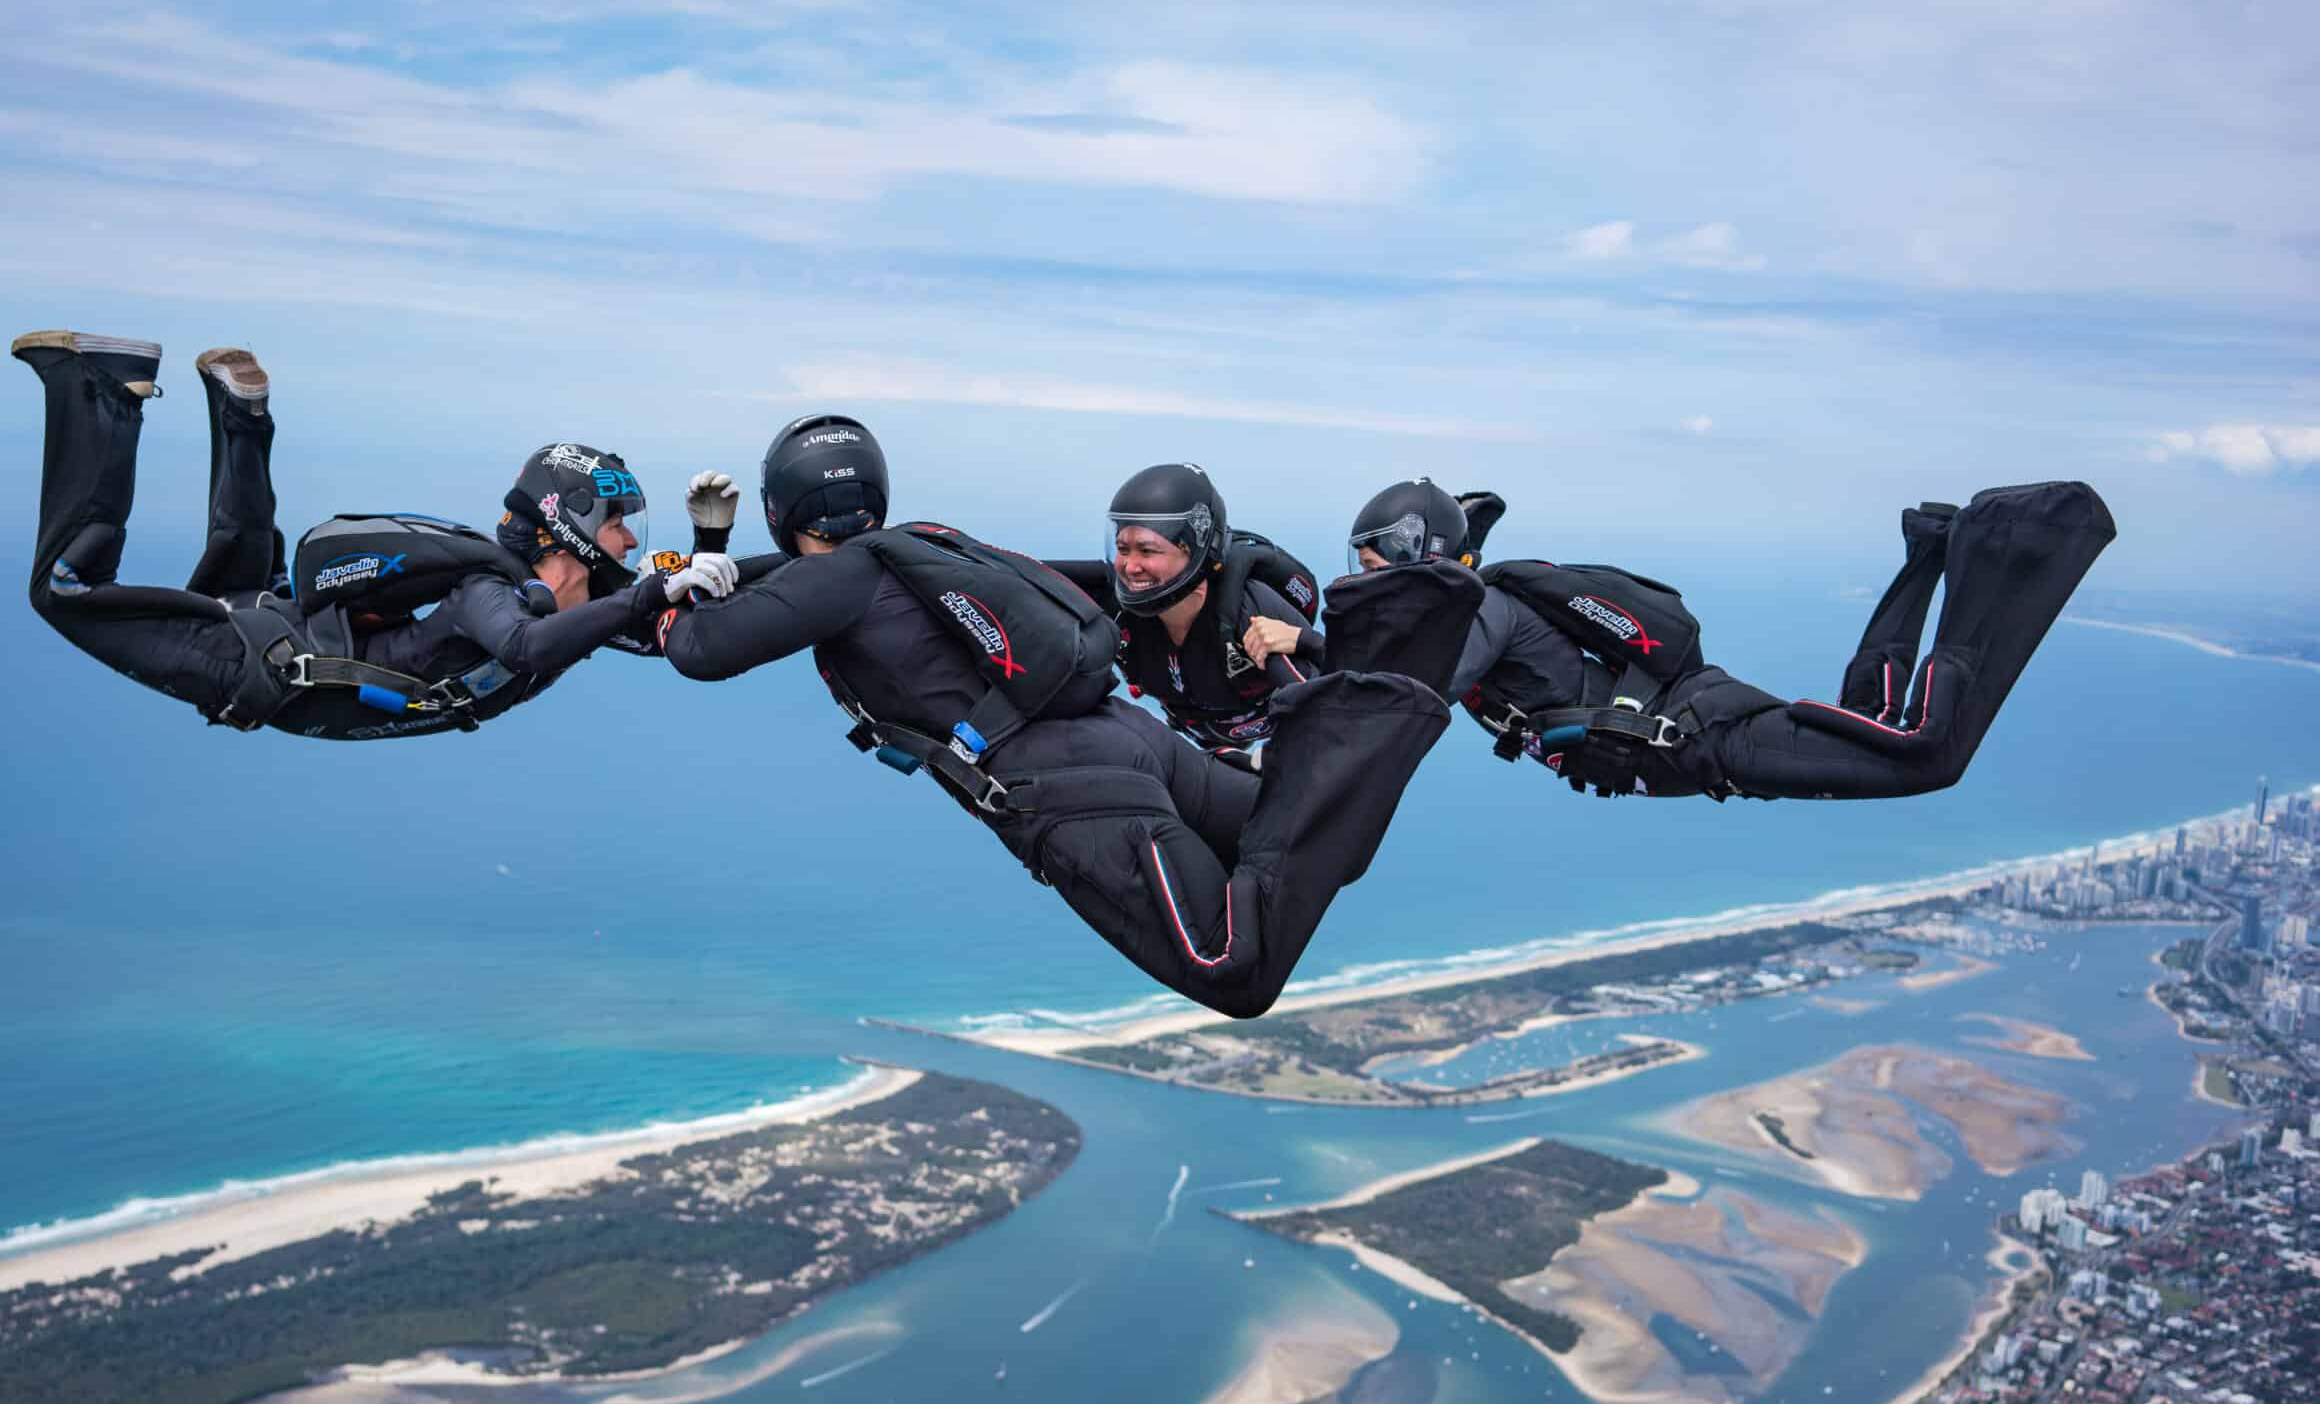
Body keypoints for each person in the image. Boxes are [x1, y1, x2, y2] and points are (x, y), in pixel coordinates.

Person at [652, 414, 1484, 1018]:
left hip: (1068, 790)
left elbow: (699, 647)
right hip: (1129, 736)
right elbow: (780, 588)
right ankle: (1349, 745)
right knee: (1313, 841)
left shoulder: (832, 578)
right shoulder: (922, 546)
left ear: (778, 510)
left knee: (1233, 965)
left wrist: (674, 583)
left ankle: (1356, 739)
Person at [11, 330, 741, 740]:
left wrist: (713, 546)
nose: (627, 541)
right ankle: (104, 390)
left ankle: (243, 409)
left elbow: (666, 632)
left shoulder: (581, 611)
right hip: (256, 669)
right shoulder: (492, 594)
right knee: (64, 592)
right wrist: (657, 586)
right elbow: (527, 648)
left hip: (279, 646)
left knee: (238, 560)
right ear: (565, 531)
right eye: (615, 524)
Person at [1316, 476, 2115, 801]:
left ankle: (2008, 547)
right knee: (1872, 720)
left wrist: (1307, 722)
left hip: (1715, 735)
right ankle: (1929, 548)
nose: (1361, 580)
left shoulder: (1481, 613)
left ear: (1417, 560)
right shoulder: (1469, 614)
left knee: (1929, 756)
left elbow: (1411, 698)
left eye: (1371, 564)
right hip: (1704, 743)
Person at [1044, 466, 1327, 762]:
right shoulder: (1113, 602)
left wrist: (1308, 642)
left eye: (1148, 550)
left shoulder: (1247, 611)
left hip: (1271, 747)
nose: (1130, 566)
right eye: (1122, 549)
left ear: (1193, 551)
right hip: (1194, 745)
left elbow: (1329, 710)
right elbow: (1015, 576)